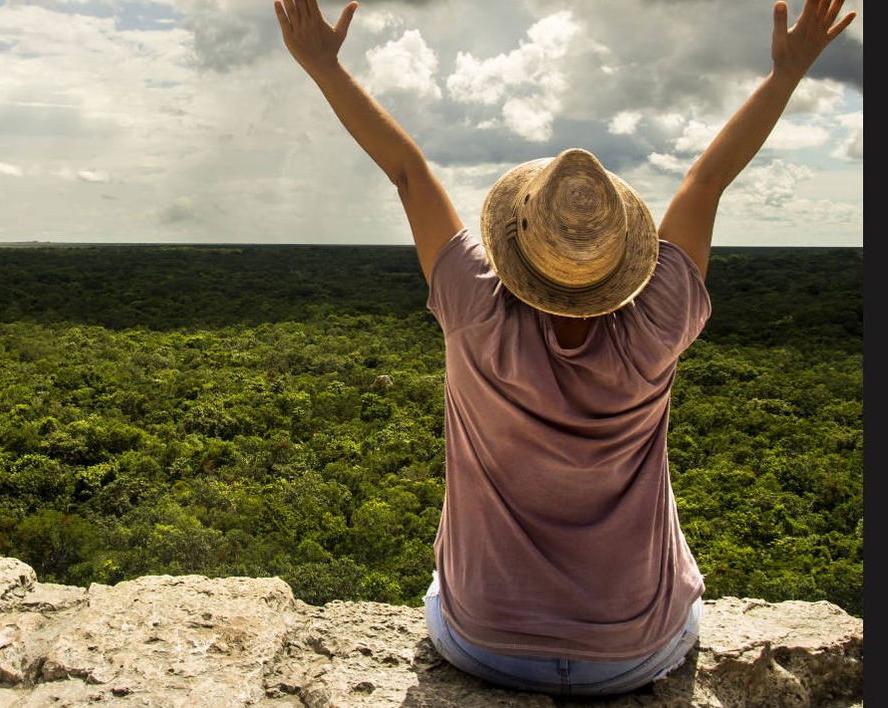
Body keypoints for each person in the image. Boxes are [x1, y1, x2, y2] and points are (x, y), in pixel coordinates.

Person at [273, 0, 856, 696]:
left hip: (483, 643)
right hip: (633, 652)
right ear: (623, 258)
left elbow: (407, 170)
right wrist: (785, 74)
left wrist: (322, 65)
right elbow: (707, 180)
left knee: (439, 582)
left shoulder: (473, 304)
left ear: (514, 245)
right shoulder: (659, 319)